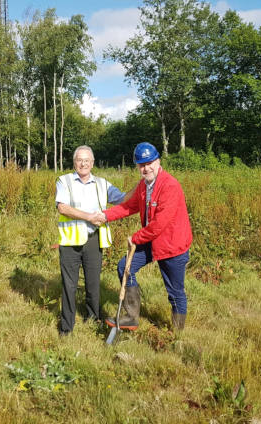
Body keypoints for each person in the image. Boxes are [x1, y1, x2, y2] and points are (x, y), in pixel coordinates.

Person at [91, 142, 192, 331]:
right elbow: (130, 206)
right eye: (141, 164)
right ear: (137, 166)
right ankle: (131, 316)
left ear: (158, 161)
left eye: (149, 163)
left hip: (172, 245)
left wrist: (136, 238)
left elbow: (159, 225)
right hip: (152, 241)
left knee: (175, 291)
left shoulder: (169, 185)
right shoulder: (144, 185)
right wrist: (105, 216)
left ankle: (178, 333)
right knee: (125, 268)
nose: (146, 168)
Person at [55, 145, 127, 336]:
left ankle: (93, 319)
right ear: (74, 162)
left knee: (93, 283)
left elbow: (123, 199)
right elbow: (63, 208)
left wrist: (144, 184)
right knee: (69, 285)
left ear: (93, 163)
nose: (83, 163)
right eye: (80, 160)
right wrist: (89, 217)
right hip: (70, 242)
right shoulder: (64, 181)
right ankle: (66, 327)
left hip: (94, 240)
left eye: (87, 160)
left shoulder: (103, 184)